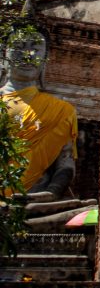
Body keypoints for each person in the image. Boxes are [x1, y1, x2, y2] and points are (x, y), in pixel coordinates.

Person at [1, 30, 77, 200]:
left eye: (36, 49)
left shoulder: (61, 110)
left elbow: (65, 163)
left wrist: (51, 193)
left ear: (45, 59)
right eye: (19, 48)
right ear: (3, 54)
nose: (27, 55)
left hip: (35, 199)